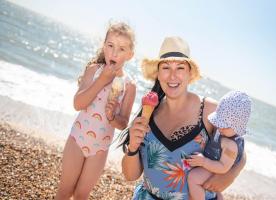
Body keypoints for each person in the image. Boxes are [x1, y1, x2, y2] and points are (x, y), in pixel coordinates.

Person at [120, 36, 246, 200]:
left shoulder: (209, 111)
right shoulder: (148, 114)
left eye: (180, 68)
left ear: (189, 74)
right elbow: (130, 176)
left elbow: (240, 151)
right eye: (166, 68)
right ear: (158, 74)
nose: (172, 76)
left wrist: (228, 177)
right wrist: (133, 148)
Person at [55, 22, 136, 200]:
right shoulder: (94, 71)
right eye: (110, 46)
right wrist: (102, 80)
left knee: (82, 195)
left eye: (121, 49)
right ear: (104, 46)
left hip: (99, 148)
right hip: (78, 138)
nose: (114, 53)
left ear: (130, 55)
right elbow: (78, 103)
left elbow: (122, 124)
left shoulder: (129, 86)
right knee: (65, 190)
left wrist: (112, 116)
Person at [187, 90, 252, 200]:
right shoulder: (222, 130)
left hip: (216, 168)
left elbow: (223, 168)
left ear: (237, 127)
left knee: (193, 178)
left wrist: (203, 162)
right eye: (219, 121)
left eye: (224, 125)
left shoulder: (231, 146)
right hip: (212, 161)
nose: (220, 127)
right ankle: (218, 196)